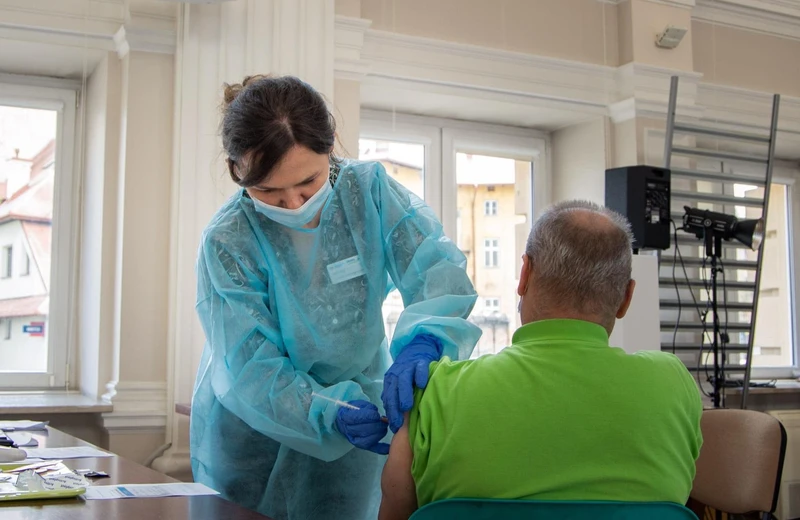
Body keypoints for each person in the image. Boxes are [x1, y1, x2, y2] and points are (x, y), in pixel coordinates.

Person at [190, 75, 481, 520]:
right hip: (258, 434)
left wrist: (426, 341)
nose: (292, 203)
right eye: (268, 189)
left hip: (361, 419)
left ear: (331, 149)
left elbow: (436, 271)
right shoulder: (227, 240)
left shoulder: (369, 193)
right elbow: (249, 367)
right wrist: (323, 411)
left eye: (307, 181)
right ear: (236, 171)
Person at [378, 200, 704, 520]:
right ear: (626, 298)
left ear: (525, 275)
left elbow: (394, 511)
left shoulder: (437, 392)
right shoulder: (673, 386)